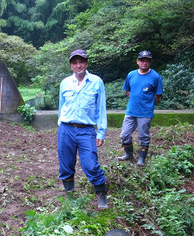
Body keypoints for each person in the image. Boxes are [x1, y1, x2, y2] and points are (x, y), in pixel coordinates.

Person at [57, 49, 108, 209]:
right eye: (75, 63)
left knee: (91, 164)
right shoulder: (65, 83)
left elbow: (101, 109)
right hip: (66, 129)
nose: (78, 65)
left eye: (81, 62)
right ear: (71, 65)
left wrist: (101, 132)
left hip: (86, 130)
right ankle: (70, 198)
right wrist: (61, 125)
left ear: (86, 63)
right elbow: (61, 106)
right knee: (66, 164)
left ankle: (101, 196)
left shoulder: (96, 82)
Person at [118, 50, 163, 166]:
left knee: (143, 136)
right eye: (142, 60)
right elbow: (127, 90)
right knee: (124, 134)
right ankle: (128, 154)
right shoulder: (131, 75)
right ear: (138, 61)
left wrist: (148, 104)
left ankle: (141, 159)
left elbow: (158, 95)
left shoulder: (156, 77)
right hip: (131, 111)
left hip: (145, 112)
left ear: (150, 62)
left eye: (147, 60)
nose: (144, 62)